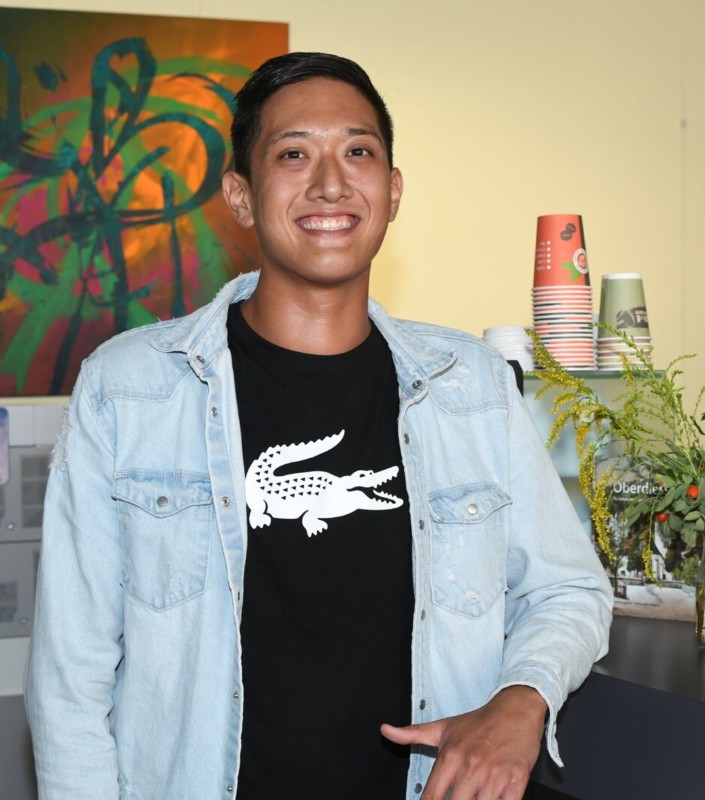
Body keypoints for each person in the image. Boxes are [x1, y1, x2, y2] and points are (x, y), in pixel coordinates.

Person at [24, 51, 613, 800]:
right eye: (293, 154)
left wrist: (522, 701)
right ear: (241, 196)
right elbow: (69, 681)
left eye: (358, 152)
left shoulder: (470, 386)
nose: (331, 183)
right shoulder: (130, 388)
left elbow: (569, 591)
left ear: (392, 192)